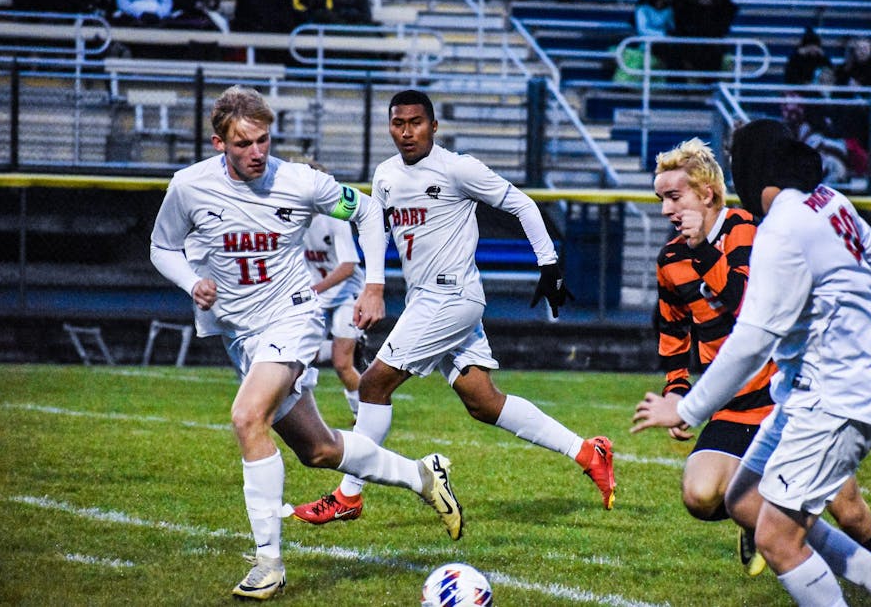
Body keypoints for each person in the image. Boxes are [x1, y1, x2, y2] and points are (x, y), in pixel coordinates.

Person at [632, 118, 871, 606]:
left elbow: (753, 339)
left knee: (780, 537)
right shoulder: (827, 202)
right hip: (809, 393)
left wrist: (686, 409)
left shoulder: (778, 229)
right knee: (742, 500)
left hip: (836, 397)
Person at [149, 85, 464, 600]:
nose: (256, 153)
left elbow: (365, 212)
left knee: (247, 418)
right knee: (318, 449)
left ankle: (268, 562)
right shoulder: (188, 187)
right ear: (218, 143)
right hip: (239, 334)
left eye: (264, 141)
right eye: (243, 143)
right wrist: (190, 281)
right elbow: (162, 246)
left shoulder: (299, 181)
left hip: (292, 316)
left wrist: (375, 283)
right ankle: (423, 477)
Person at [292, 89, 616, 525]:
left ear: (433, 126)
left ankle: (349, 495)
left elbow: (521, 203)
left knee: (372, 386)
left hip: (450, 298)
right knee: (483, 402)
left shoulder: (457, 168)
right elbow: (375, 229)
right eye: (398, 123)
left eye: (416, 122)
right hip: (427, 299)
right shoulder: (386, 174)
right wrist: (374, 286)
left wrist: (549, 265)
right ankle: (587, 451)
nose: (406, 132)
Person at [650, 136, 871, 579]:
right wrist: (677, 389)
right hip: (732, 406)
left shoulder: (753, 229)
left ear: (707, 193)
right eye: (660, 199)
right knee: (699, 494)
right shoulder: (671, 258)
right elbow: (673, 331)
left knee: (850, 513)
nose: (665, 210)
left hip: (788, 400)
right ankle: (760, 518)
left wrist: (704, 251)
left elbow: (748, 307)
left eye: (674, 197)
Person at [302, 207, 367, 422]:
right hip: (318, 296)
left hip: (347, 294)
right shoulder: (290, 217)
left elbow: (348, 266)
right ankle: (350, 345)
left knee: (342, 364)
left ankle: (364, 416)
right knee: (304, 355)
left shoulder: (335, 221)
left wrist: (315, 289)